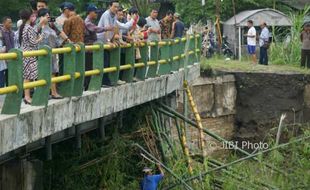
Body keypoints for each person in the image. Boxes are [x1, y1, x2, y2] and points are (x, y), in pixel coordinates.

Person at [84, 4, 114, 90]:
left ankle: (90, 86)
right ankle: (87, 88)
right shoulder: (87, 22)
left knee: (92, 69)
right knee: (89, 70)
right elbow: (95, 29)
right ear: (90, 12)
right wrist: (106, 28)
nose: (97, 14)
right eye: (95, 12)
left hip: (92, 50)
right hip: (88, 50)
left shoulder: (91, 22)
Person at [37, 8, 62, 99]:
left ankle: (53, 92)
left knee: (53, 73)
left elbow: (57, 42)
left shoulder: (51, 27)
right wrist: (40, 24)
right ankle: (43, 93)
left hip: (53, 54)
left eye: (48, 15)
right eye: (45, 15)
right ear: (41, 17)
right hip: (42, 55)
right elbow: (34, 36)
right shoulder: (38, 27)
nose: (48, 17)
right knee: (43, 73)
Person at [19, 9, 43, 104]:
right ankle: (27, 97)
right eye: (32, 16)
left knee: (28, 76)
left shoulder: (24, 27)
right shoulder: (28, 27)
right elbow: (32, 43)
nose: (34, 17)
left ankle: (27, 96)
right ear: (29, 17)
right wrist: (40, 39)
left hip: (27, 54)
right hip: (29, 55)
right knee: (28, 77)